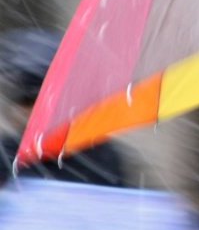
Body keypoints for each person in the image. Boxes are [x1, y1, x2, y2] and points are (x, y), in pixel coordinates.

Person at [0, 28, 127, 187]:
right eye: (24, 101)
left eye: (38, 100)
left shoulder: (101, 158)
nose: (27, 112)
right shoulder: (7, 154)